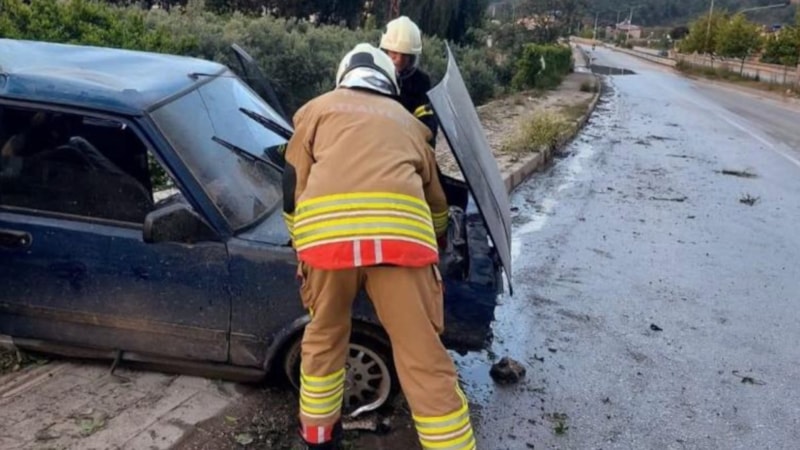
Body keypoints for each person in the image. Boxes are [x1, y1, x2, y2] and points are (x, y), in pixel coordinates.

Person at [282, 43, 477, 450]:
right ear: (389, 84)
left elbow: (291, 187)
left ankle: (318, 438)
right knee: (423, 357)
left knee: (324, 338)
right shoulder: (409, 125)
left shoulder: (313, 111)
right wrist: (438, 242)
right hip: (401, 251)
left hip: (326, 247)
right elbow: (437, 203)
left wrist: (298, 242)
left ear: (342, 77)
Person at [379, 16, 438, 145]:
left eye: (405, 55)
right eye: (394, 52)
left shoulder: (421, 81)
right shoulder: (374, 77)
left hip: (406, 146)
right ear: (385, 51)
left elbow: (428, 124)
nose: (399, 60)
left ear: (412, 57)